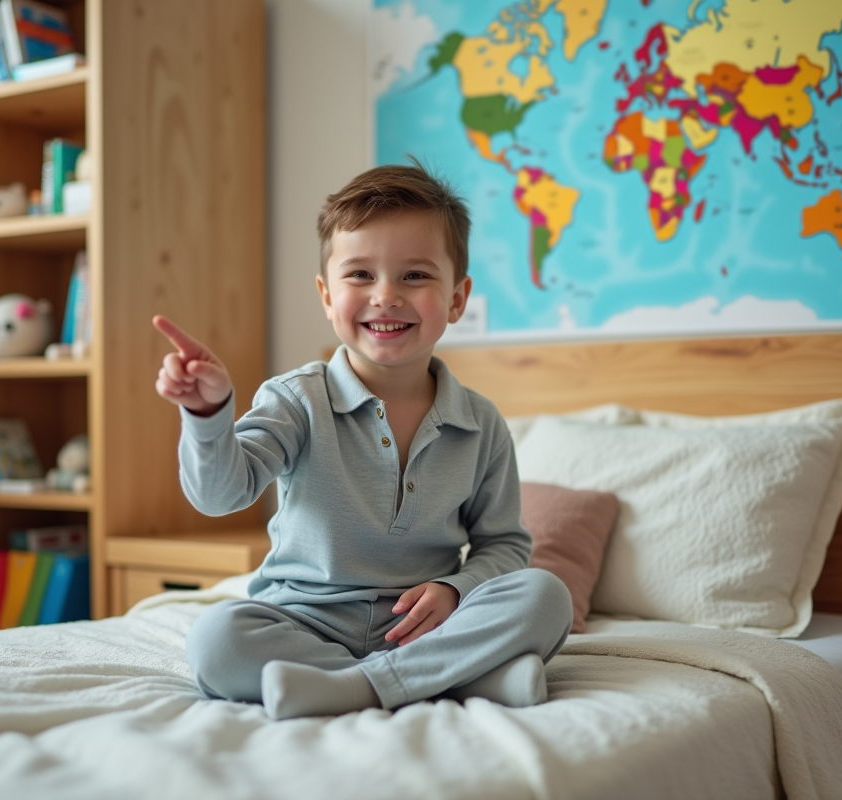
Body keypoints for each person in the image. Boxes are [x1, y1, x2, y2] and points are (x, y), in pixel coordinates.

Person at [153, 162, 572, 720]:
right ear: (327, 296)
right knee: (216, 639)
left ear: (456, 298)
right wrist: (207, 414)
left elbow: (505, 548)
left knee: (546, 596)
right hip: (305, 622)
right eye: (360, 276)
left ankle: (363, 685)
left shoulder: (481, 423)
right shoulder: (294, 399)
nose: (386, 296)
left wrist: (455, 587)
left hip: (428, 625)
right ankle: (457, 680)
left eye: (415, 276)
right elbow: (220, 495)